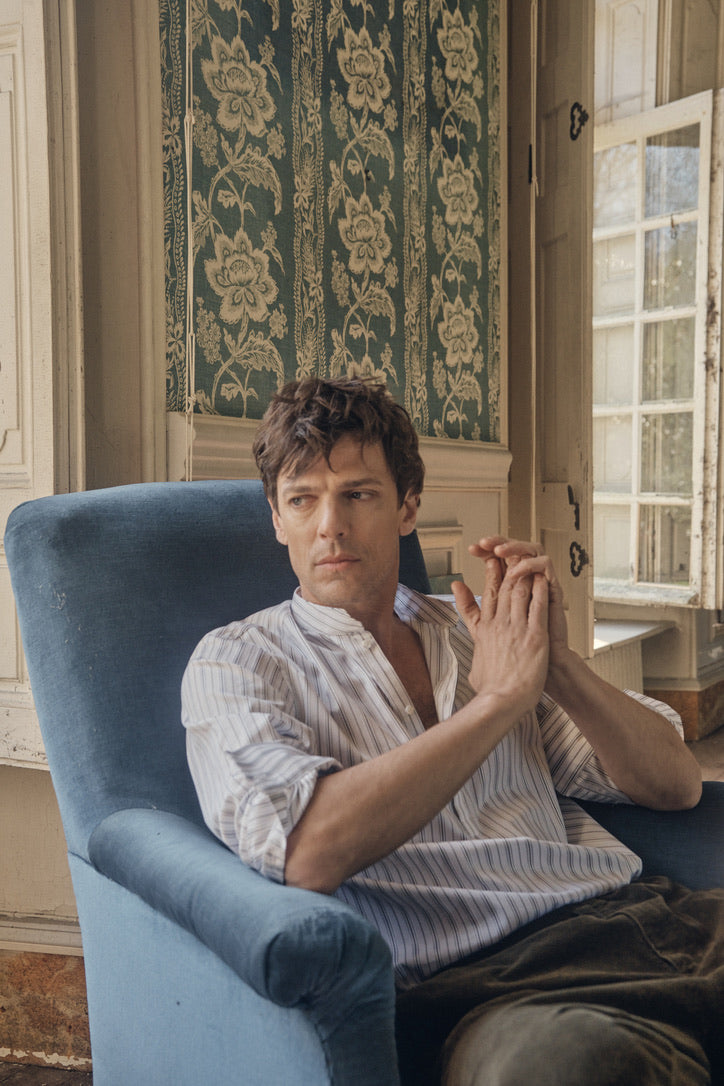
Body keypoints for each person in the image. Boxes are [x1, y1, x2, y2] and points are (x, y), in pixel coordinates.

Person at [181, 376, 723, 1086]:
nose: (330, 525)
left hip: (641, 921)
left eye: (358, 494)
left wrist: (557, 665)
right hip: (487, 992)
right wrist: (496, 702)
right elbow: (307, 851)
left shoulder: (480, 634)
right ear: (277, 518)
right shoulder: (238, 660)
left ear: (408, 507)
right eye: (302, 499)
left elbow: (677, 785)